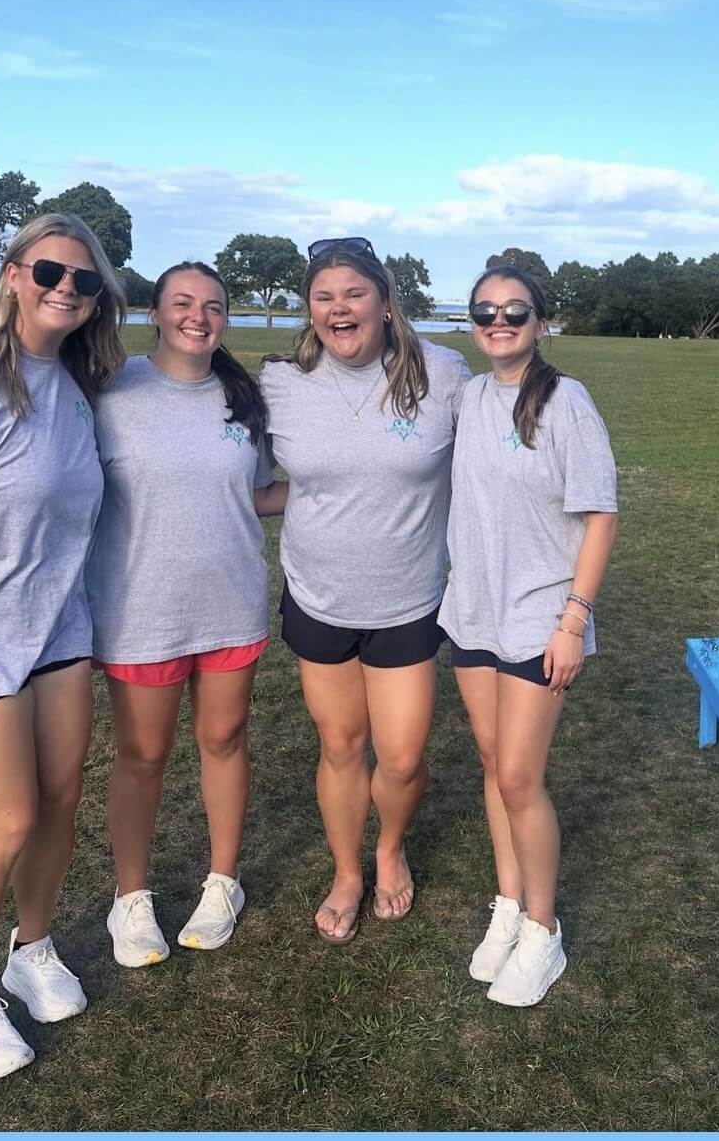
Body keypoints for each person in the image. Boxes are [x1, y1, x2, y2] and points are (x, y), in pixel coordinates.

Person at [0, 213, 125, 1080]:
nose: (65, 289)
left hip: (58, 634)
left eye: (84, 281)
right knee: (6, 818)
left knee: (59, 801)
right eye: (49, 271)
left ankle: (30, 947)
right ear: (13, 274)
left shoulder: (74, 384)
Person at [259, 237, 470, 944]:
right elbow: (247, 478)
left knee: (402, 757)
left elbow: (489, 468)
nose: (338, 308)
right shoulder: (281, 380)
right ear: (309, 308)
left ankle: (390, 848)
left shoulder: (442, 373)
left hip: (408, 600)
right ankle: (349, 871)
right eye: (323, 297)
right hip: (318, 596)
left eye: (353, 293)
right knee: (342, 744)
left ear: (384, 301)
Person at [86, 262, 285, 968]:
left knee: (224, 739)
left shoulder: (244, 398)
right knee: (142, 754)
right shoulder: (112, 391)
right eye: (182, 303)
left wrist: (340, 487)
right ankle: (130, 895)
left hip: (229, 602)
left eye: (213, 305)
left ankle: (223, 882)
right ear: (156, 312)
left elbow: (257, 494)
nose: (198, 316)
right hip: (140, 608)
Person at [438, 265, 618, 1007]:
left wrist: (573, 620)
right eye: (485, 311)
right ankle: (508, 905)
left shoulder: (566, 401)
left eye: (515, 311)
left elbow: (600, 515)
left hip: (541, 616)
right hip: (472, 610)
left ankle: (543, 930)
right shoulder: (467, 396)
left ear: (541, 323)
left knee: (518, 776)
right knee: (492, 762)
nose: (499, 322)